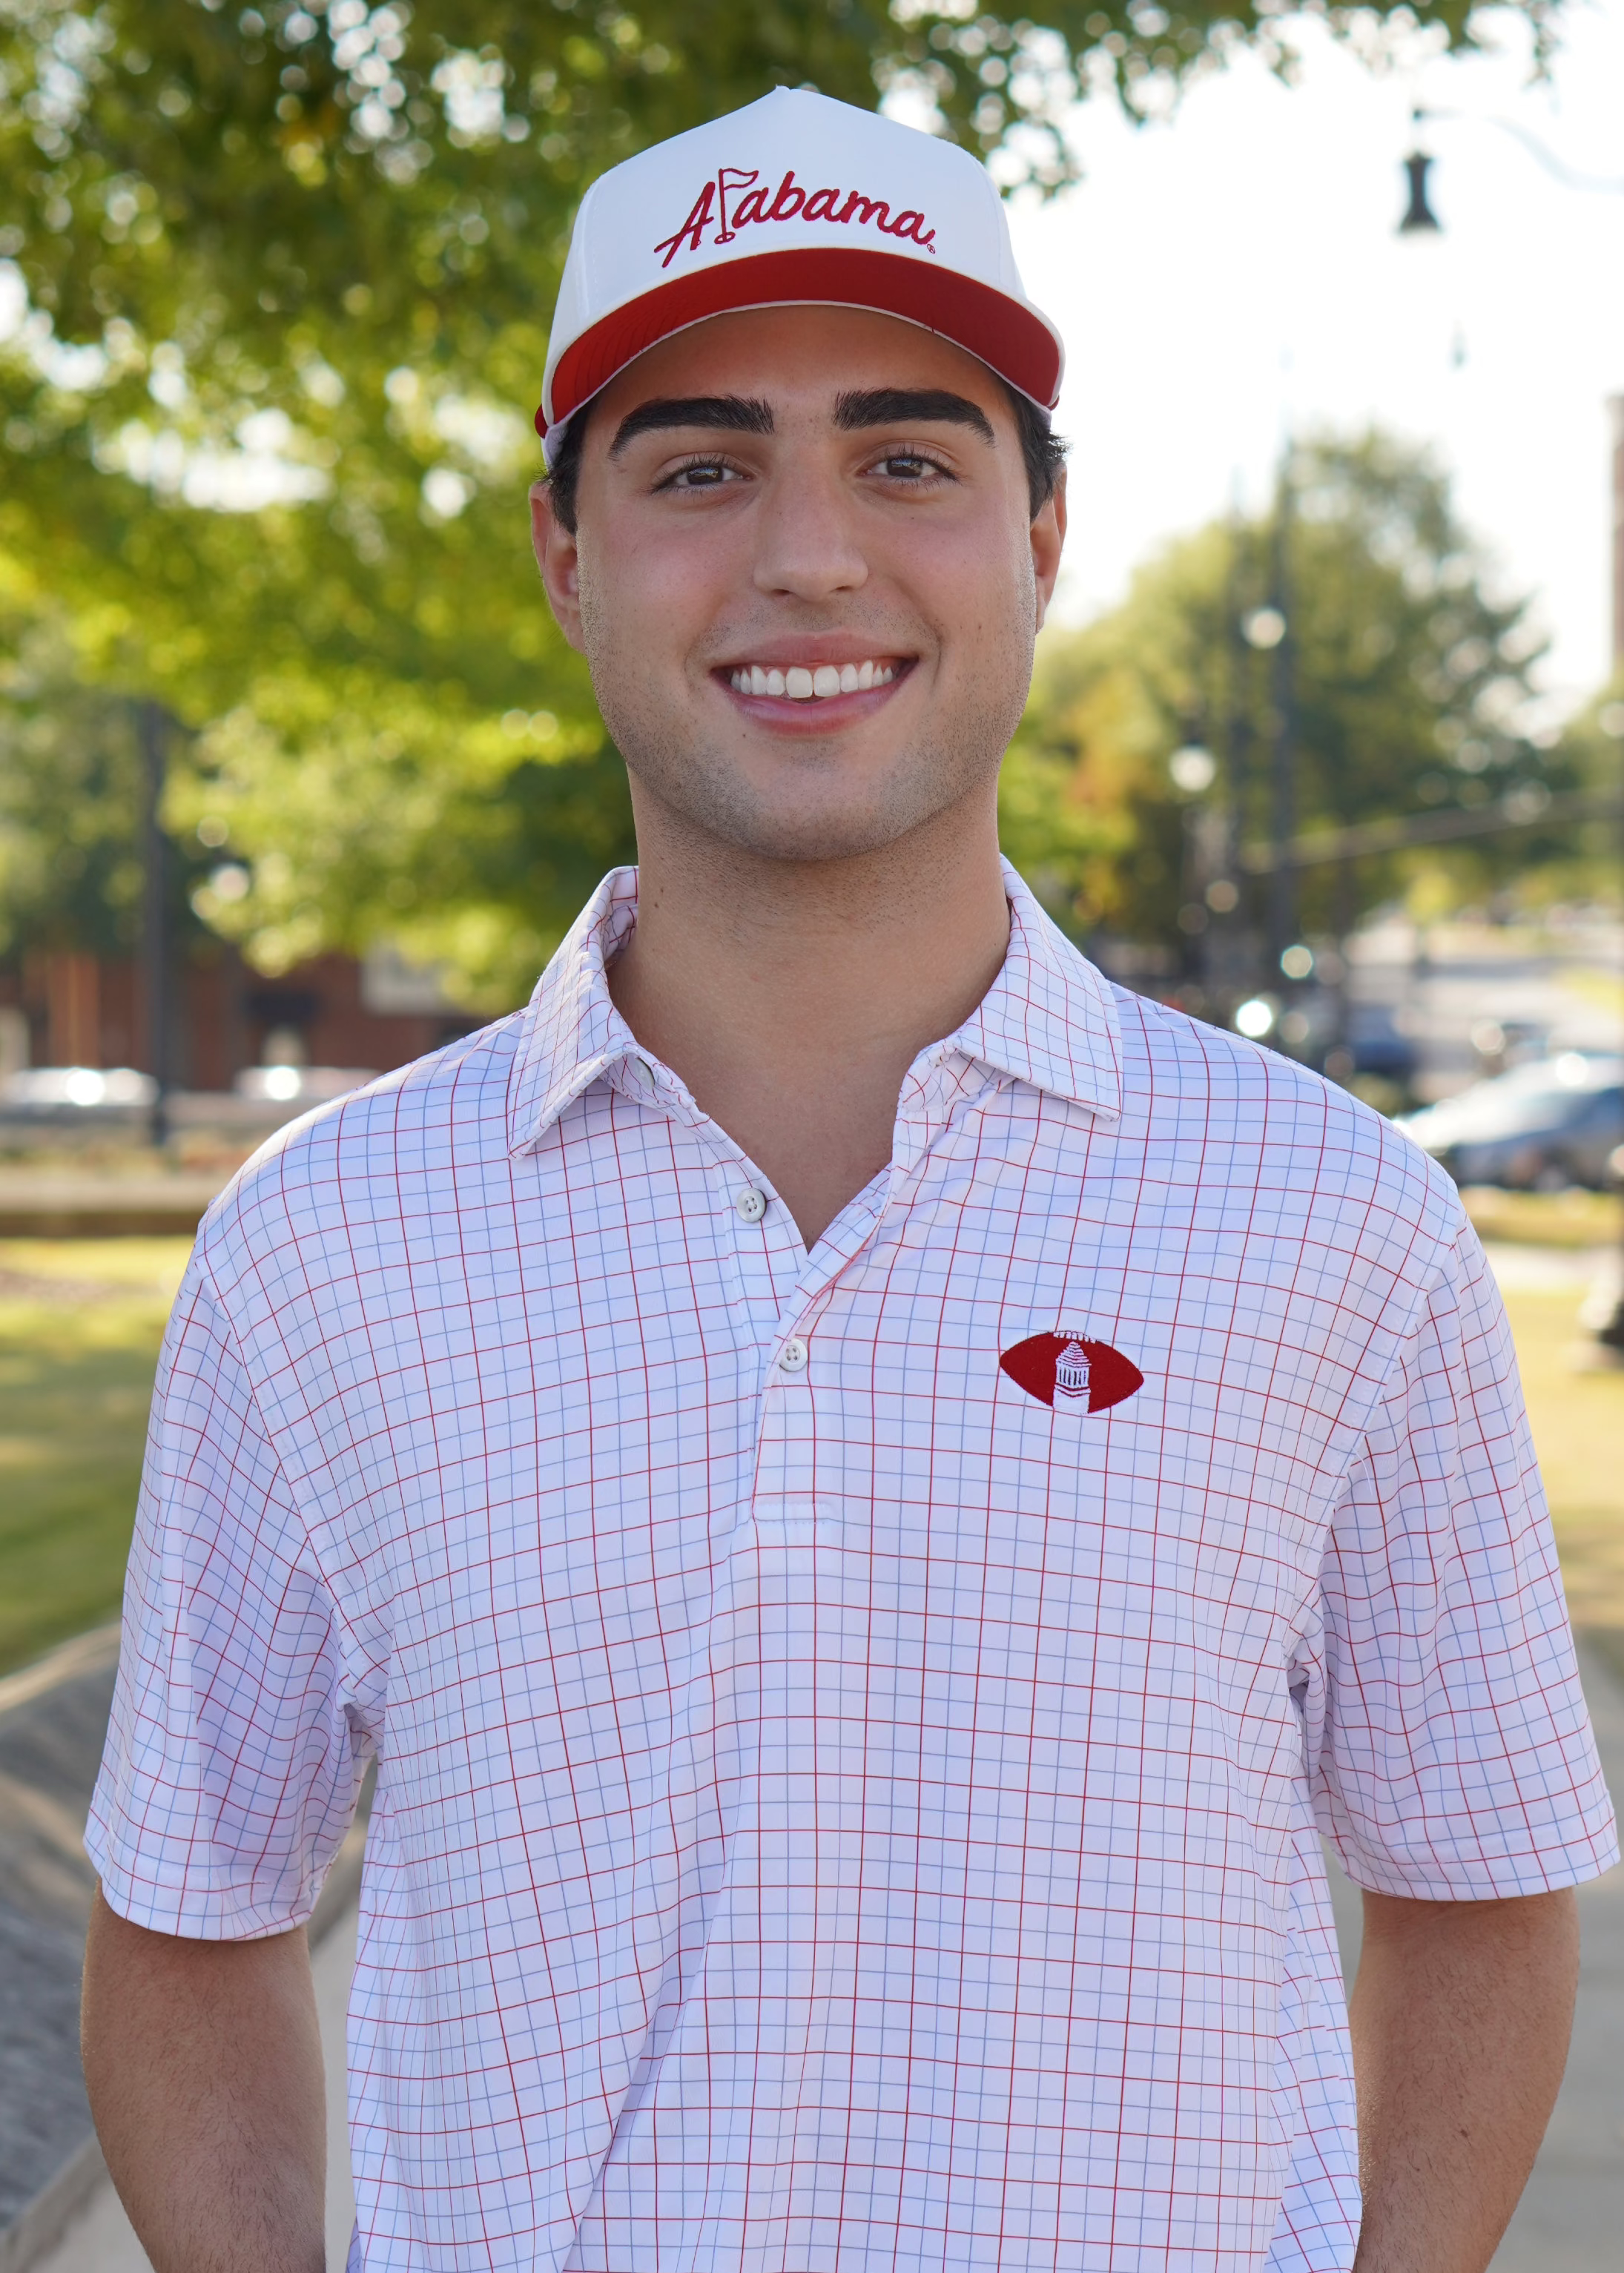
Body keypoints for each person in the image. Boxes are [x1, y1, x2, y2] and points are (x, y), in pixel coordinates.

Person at [82, 88, 1614, 2273]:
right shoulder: (324, 1251)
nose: (809, 552)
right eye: (699, 466)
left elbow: (1471, 1891)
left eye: (907, 458)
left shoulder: (1329, 1222)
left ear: (1043, 540)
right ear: (564, 553)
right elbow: (190, 1917)